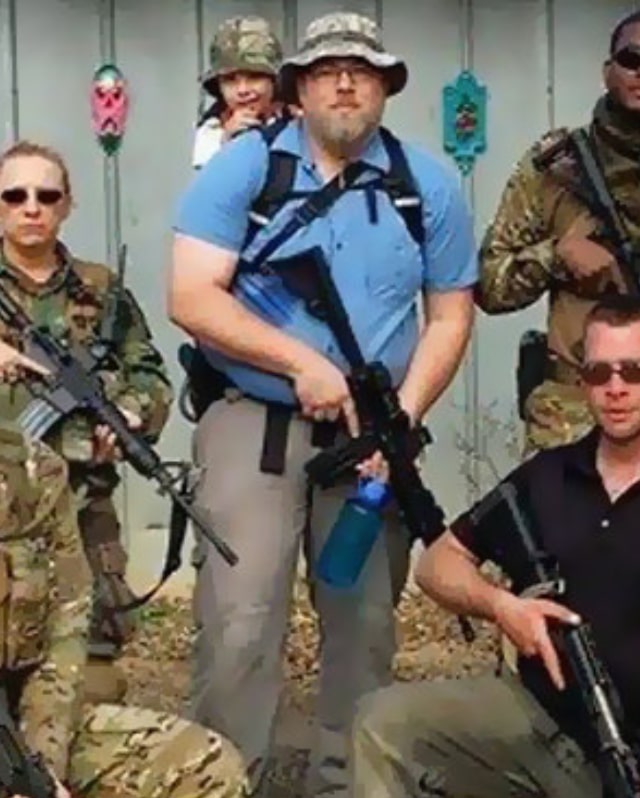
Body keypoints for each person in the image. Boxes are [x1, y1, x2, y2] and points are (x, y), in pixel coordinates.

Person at [168, 10, 477, 796]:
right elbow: (191, 296)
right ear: (298, 88)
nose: (345, 83)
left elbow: (450, 313)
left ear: (385, 88)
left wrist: (401, 416)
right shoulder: (244, 170)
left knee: (365, 625)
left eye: (363, 71)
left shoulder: (426, 184)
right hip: (255, 417)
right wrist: (298, 360)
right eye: (326, 70)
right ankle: (226, 780)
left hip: (373, 437)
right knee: (240, 624)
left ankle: (351, 783)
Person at [351, 294, 640, 798]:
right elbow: (438, 564)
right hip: (541, 725)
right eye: (599, 373)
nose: (616, 389)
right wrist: (501, 607)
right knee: (383, 722)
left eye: (636, 371)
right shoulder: (549, 475)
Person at [0, 353, 248, 798]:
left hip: (19, 728)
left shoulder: (35, 472)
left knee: (203, 766)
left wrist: (41, 768)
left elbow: (65, 633)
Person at [477, 7, 640, 453]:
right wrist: (556, 256)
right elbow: (489, 286)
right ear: (607, 71)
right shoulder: (556, 167)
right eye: (633, 58)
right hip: (575, 416)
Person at [0, 140, 173, 705]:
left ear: (66, 205)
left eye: (46, 195)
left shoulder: (99, 290)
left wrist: (128, 412)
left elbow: (149, 373)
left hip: (82, 515)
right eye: (15, 195)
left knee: (92, 682)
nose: (31, 207)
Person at [192, 15, 285, 169]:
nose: (243, 90)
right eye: (230, 80)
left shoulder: (298, 116)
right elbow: (210, 185)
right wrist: (226, 142)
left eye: (254, 76)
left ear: (274, 81)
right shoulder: (212, 128)